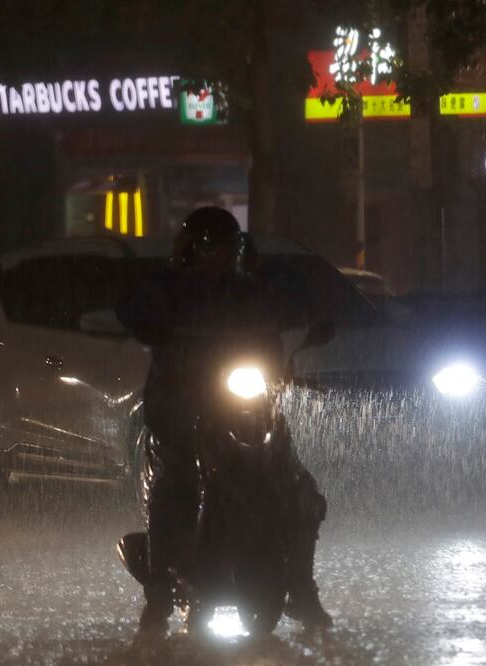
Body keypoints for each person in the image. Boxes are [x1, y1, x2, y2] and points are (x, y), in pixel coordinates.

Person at [116, 206, 332, 636]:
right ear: (189, 249)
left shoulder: (251, 292)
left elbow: (283, 316)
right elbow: (139, 311)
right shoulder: (169, 289)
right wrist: (152, 324)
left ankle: (302, 589)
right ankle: (158, 596)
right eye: (207, 244)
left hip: (246, 404)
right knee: (176, 480)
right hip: (182, 403)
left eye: (226, 245)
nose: (217, 254)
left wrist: (295, 346)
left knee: (300, 487)